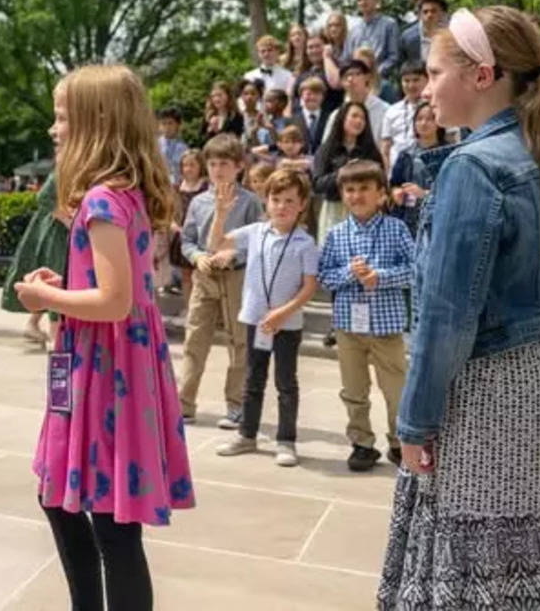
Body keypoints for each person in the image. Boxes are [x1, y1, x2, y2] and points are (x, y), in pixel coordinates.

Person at [377, 6, 540, 608]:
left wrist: (415, 423)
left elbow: (447, 318)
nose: (423, 86)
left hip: (491, 389)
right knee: (522, 565)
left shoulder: (475, 168)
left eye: (436, 71)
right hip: (537, 372)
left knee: (475, 571)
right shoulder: (525, 149)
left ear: (481, 77)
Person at [13, 64, 195, 611]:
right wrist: (64, 287)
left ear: (93, 123)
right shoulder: (121, 196)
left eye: (62, 116)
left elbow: (113, 301)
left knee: (110, 524)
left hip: (105, 370)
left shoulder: (101, 201)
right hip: (107, 365)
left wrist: (46, 299)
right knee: (66, 502)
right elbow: (114, 289)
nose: (54, 128)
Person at [209, 169, 319, 466]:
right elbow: (218, 244)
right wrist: (220, 214)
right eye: (275, 199)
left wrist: (283, 312)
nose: (281, 206)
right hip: (256, 321)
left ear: (301, 205)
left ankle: (286, 440)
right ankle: (247, 434)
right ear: (266, 201)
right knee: (253, 379)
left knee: (286, 382)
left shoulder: (305, 244)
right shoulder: (256, 232)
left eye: (289, 201)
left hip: (286, 324)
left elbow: (309, 287)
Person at [317, 159, 414, 471]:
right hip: (349, 327)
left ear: (381, 194)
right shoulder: (335, 235)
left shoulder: (396, 229)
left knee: (396, 389)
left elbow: (415, 270)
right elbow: (324, 277)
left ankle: (400, 442)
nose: (356, 196)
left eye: (364, 189)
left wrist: (379, 277)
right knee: (354, 389)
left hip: (387, 327)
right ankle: (361, 442)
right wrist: (350, 273)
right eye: (350, 190)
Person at [177, 134, 264, 427]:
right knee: (195, 338)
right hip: (205, 276)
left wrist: (235, 253)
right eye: (212, 164)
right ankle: (184, 403)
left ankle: (236, 404)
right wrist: (196, 257)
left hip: (237, 277)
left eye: (224, 164)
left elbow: (260, 239)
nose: (218, 170)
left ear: (239, 166)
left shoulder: (250, 202)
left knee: (239, 341)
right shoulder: (199, 202)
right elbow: (187, 239)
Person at [2, 126, 71, 346]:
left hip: (59, 230)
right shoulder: (63, 166)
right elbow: (45, 198)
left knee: (54, 282)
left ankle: (39, 329)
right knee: (56, 281)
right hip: (56, 233)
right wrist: (72, 223)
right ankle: (55, 343)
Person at [313, 101, 385, 239]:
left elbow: (381, 182)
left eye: (363, 118)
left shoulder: (370, 152)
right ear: (342, 119)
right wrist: (343, 172)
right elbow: (317, 184)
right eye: (354, 116)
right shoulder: (326, 150)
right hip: (335, 210)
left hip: (366, 210)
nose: (359, 121)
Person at [388, 101, 447, 236]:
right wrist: (396, 192)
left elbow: (451, 192)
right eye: (419, 119)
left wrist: (424, 194)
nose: (424, 123)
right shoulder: (406, 154)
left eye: (430, 118)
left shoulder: (447, 154)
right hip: (407, 219)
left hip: (436, 221)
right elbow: (393, 184)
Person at [167, 150, 208, 301]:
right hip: (182, 235)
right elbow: (169, 211)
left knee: (200, 275)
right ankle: (188, 307)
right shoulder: (177, 188)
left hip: (201, 236)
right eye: (185, 165)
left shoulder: (206, 187)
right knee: (186, 275)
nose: (188, 169)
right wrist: (173, 225)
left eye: (192, 165)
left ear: (200, 166)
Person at [323, 59, 388, 147]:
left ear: (367, 77)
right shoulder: (336, 115)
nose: (350, 79)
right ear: (341, 82)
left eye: (356, 74)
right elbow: (326, 146)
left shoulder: (385, 111)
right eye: (346, 76)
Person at [344, 0, 400, 82]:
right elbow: (347, 58)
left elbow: (393, 57)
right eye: (359, 0)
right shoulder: (353, 30)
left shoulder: (389, 24)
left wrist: (374, 74)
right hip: (357, 82)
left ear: (376, 0)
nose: (363, 2)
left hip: (381, 80)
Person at [379, 60, 429, 170]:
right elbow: (385, 147)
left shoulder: (436, 107)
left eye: (416, 80)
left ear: (427, 80)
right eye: (406, 81)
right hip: (397, 171)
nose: (411, 85)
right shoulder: (391, 111)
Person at [398, 0, 448, 68]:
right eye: (425, 12)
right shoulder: (408, 37)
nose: (429, 15)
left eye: (434, 11)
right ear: (419, 15)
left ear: (443, 13)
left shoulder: (454, 32)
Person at [244, 35, 294, 99]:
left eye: (270, 50)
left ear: (277, 52)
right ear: (258, 54)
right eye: (263, 51)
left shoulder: (288, 76)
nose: (266, 54)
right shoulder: (249, 76)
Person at [292, 76, 330, 157]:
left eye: (316, 94)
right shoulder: (292, 120)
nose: (312, 97)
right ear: (301, 96)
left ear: (323, 96)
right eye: (308, 94)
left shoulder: (330, 118)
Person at [156, 107, 189, 184]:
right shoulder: (155, 145)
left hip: (177, 185)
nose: (167, 127)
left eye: (170, 123)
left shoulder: (184, 148)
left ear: (178, 125)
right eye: (164, 123)